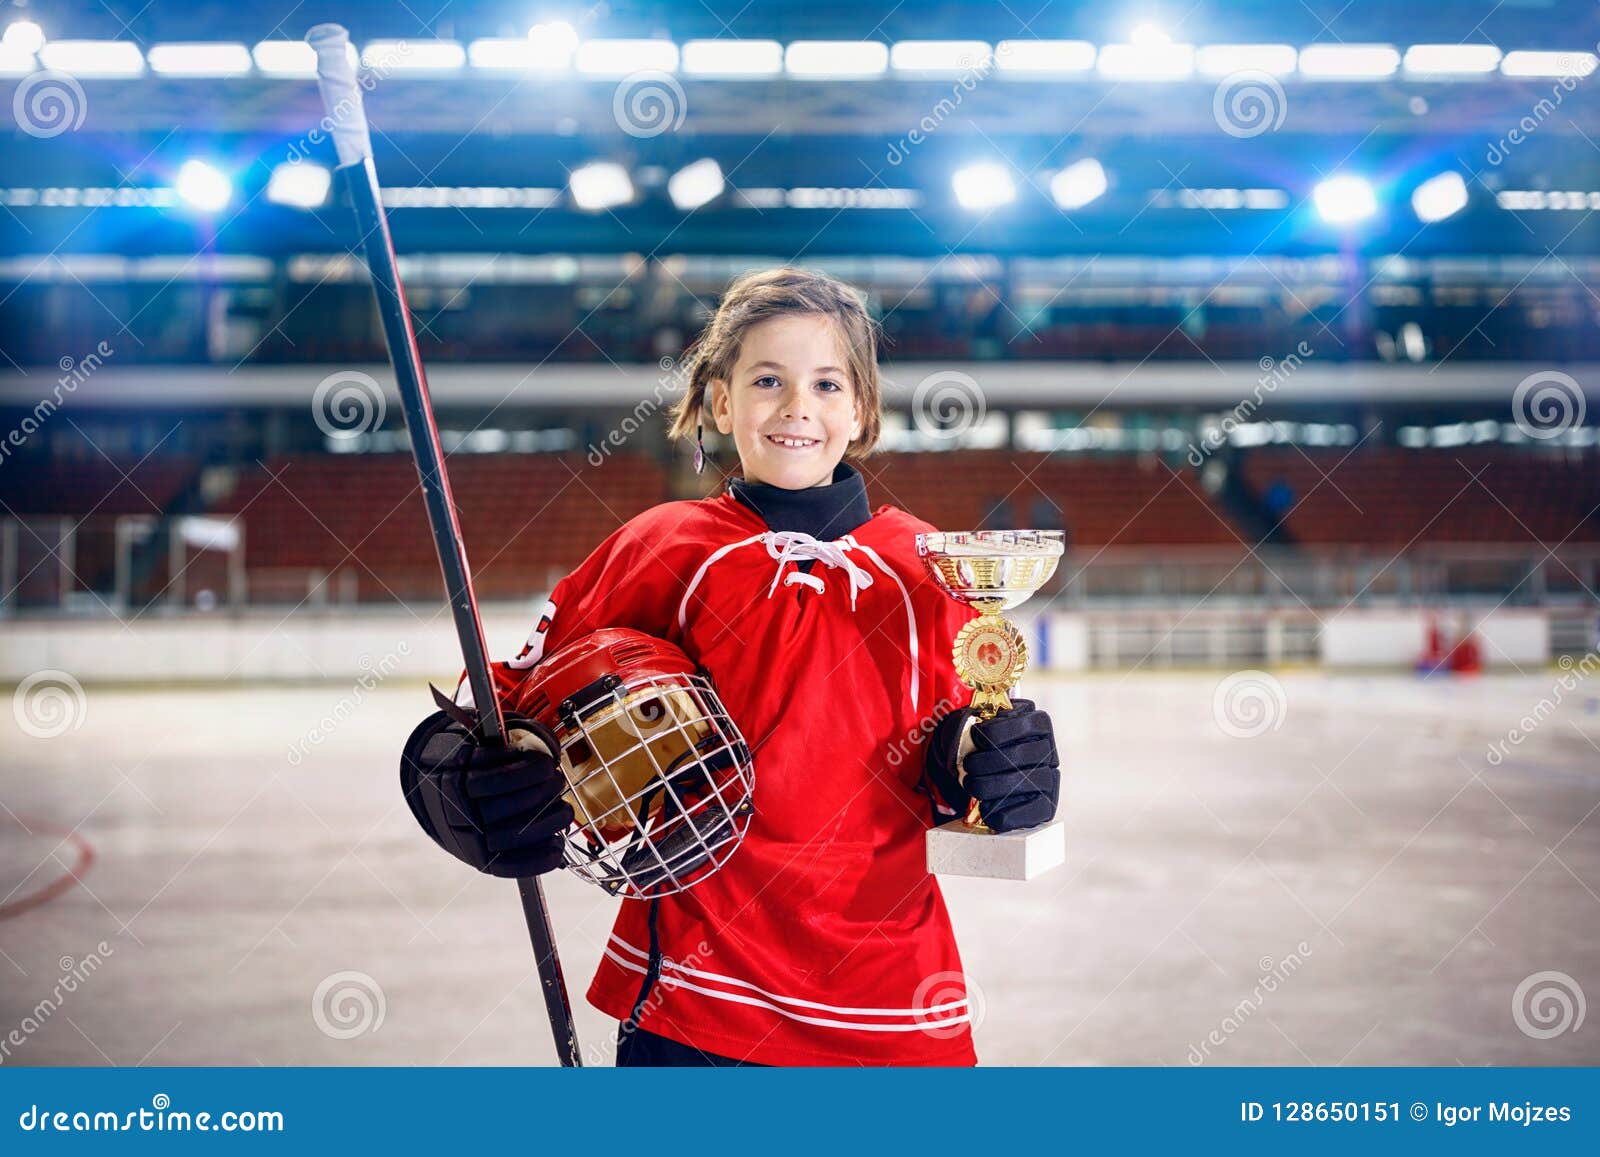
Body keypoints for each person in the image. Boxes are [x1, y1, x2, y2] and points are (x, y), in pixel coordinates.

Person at [399, 267, 1061, 1066]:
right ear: (719, 401)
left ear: (861, 409)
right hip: (694, 999)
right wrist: (468, 771)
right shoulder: (662, 546)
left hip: (891, 1001)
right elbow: (507, 695)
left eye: (825, 383)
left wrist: (998, 767)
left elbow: (952, 750)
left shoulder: (928, 565)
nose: (796, 408)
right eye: (767, 380)